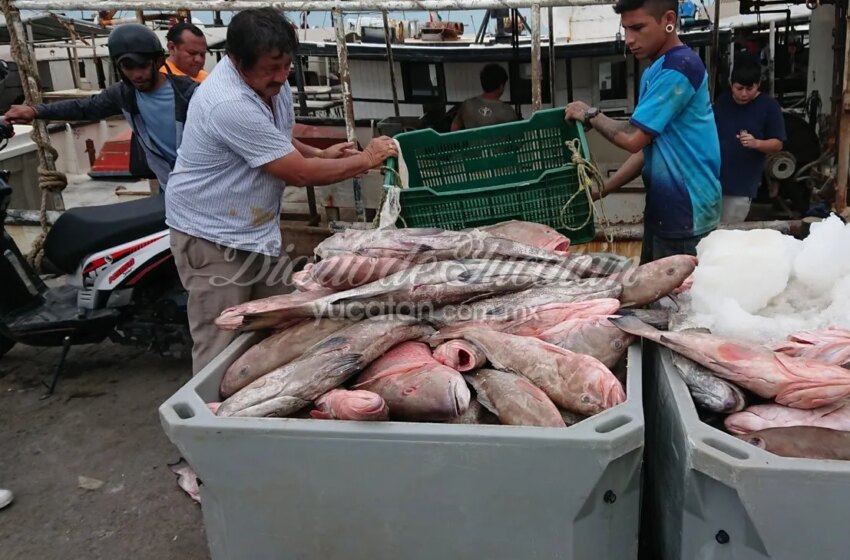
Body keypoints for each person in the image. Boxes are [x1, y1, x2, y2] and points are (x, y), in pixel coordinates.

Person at [165, 9, 398, 375]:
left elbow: (278, 137)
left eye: (286, 65)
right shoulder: (228, 102)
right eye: (271, 67)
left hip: (255, 228)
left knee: (276, 325)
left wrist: (320, 152)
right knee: (222, 338)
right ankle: (211, 425)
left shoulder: (270, 84)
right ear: (237, 61)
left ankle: (263, 416)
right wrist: (368, 158)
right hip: (210, 234)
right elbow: (300, 174)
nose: (281, 76)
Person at [565, 0, 721, 264]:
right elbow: (647, 149)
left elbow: (632, 137)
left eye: (637, 28)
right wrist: (601, 191)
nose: (629, 39)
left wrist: (590, 114)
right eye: (625, 29)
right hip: (665, 211)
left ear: (668, 19)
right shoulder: (655, 70)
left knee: (677, 302)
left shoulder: (679, 67)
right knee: (651, 295)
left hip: (686, 213)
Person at [4, 24, 197, 193]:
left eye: (142, 66)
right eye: (128, 67)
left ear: (158, 62)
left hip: (202, 180)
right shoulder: (124, 94)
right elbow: (85, 108)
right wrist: (36, 111)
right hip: (169, 186)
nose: (137, 74)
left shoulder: (189, 92)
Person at [714, 59, 786, 223]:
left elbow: (778, 144)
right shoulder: (721, 103)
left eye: (749, 88)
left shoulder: (769, 107)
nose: (744, 93)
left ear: (758, 84)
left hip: (740, 186)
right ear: (731, 84)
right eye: (739, 88)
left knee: (727, 234)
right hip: (712, 183)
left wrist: (757, 143)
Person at [451, 63, 519, 131]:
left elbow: (454, 128)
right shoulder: (508, 111)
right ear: (501, 86)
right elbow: (516, 136)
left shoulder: (467, 105)